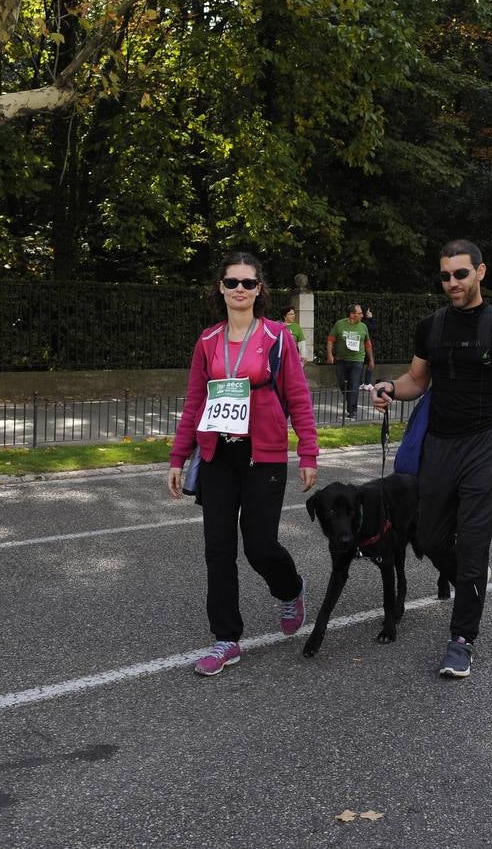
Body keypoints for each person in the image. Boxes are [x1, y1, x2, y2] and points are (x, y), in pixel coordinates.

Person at [371, 239, 492, 679]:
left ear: (480, 272)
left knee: (474, 542)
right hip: (439, 446)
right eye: (445, 275)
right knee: (428, 536)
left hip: (485, 446)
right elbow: (416, 381)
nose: (452, 283)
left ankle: (462, 638)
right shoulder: (431, 326)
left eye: (460, 274)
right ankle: (471, 575)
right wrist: (389, 388)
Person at [168, 253, 319, 677]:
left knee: (259, 545)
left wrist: (308, 452)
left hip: (263, 456)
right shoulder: (208, 340)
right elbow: (195, 401)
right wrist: (178, 457)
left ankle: (290, 589)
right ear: (220, 287)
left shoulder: (277, 336)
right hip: (218, 456)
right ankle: (226, 639)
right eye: (232, 282)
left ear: (259, 290)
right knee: (218, 550)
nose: (239, 289)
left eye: (248, 283)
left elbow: (298, 398)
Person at [326, 304, 374, 419]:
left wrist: (371, 360)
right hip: (341, 360)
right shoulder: (339, 324)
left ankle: (352, 411)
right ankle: (350, 402)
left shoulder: (363, 326)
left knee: (354, 384)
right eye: (360, 313)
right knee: (343, 385)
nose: (362, 315)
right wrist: (330, 355)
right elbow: (330, 340)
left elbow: (367, 344)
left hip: (357, 360)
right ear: (352, 315)